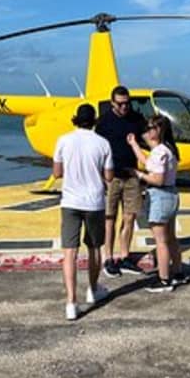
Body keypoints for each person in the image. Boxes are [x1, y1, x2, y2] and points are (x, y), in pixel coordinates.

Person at [53, 103, 114, 320]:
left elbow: (57, 172)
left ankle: (71, 302)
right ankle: (93, 288)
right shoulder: (103, 143)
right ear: (95, 121)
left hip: (70, 200)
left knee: (70, 251)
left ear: (76, 119)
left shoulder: (63, 140)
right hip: (94, 201)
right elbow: (108, 176)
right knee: (95, 247)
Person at [128, 114, 189, 292]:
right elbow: (148, 163)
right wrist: (134, 145)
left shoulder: (160, 152)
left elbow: (158, 179)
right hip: (171, 195)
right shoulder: (167, 149)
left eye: (149, 128)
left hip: (160, 196)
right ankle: (177, 272)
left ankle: (164, 279)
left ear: (158, 131)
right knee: (171, 238)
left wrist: (139, 175)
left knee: (161, 241)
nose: (145, 132)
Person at [95, 85, 147, 277]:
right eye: (121, 104)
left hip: (131, 175)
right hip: (112, 177)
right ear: (112, 103)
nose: (125, 107)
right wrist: (101, 176)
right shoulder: (104, 122)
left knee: (130, 217)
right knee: (109, 218)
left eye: (127, 103)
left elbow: (146, 138)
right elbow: (97, 149)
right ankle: (108, 257)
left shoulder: (136, 119)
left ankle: (125, 256)